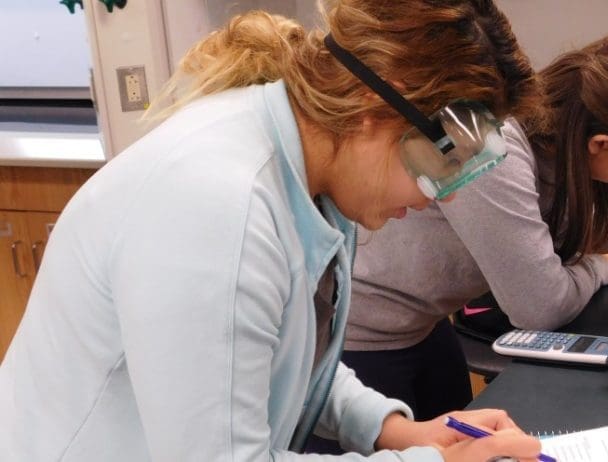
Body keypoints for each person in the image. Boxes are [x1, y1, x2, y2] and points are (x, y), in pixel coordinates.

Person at [0, 1, 546, 461]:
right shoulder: (217, 210)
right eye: (441, 160)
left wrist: (397, 431)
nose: (442, 193)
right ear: (373, 106)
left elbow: (286, 352)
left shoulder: (310, 173)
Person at [343, 28, 608, 420]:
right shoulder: (498, 152)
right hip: (363, 340)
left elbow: (551, 217)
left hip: (423, 327)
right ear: (601, 144)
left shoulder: (552, 137)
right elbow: (539, 307)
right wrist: (603, 266)